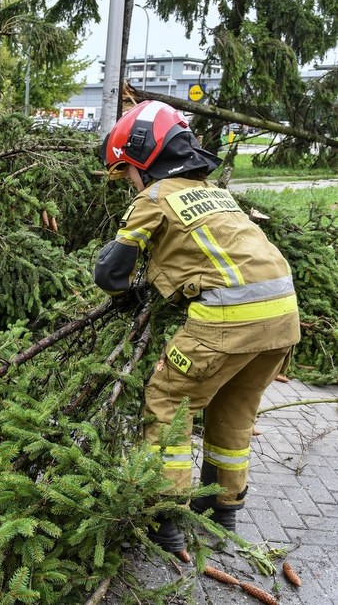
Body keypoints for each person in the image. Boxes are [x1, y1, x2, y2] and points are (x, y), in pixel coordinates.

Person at [93, 101, 300, 553]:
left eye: (126, 169)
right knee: (233, 408)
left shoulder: (155, 196)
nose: (127, 180)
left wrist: (129, 297)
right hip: (283, 317)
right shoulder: (218, 195)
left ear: (146, 158)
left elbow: (110, 273)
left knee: (168, 401)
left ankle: (163, 521)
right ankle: (221, 513)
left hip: (228, 320)